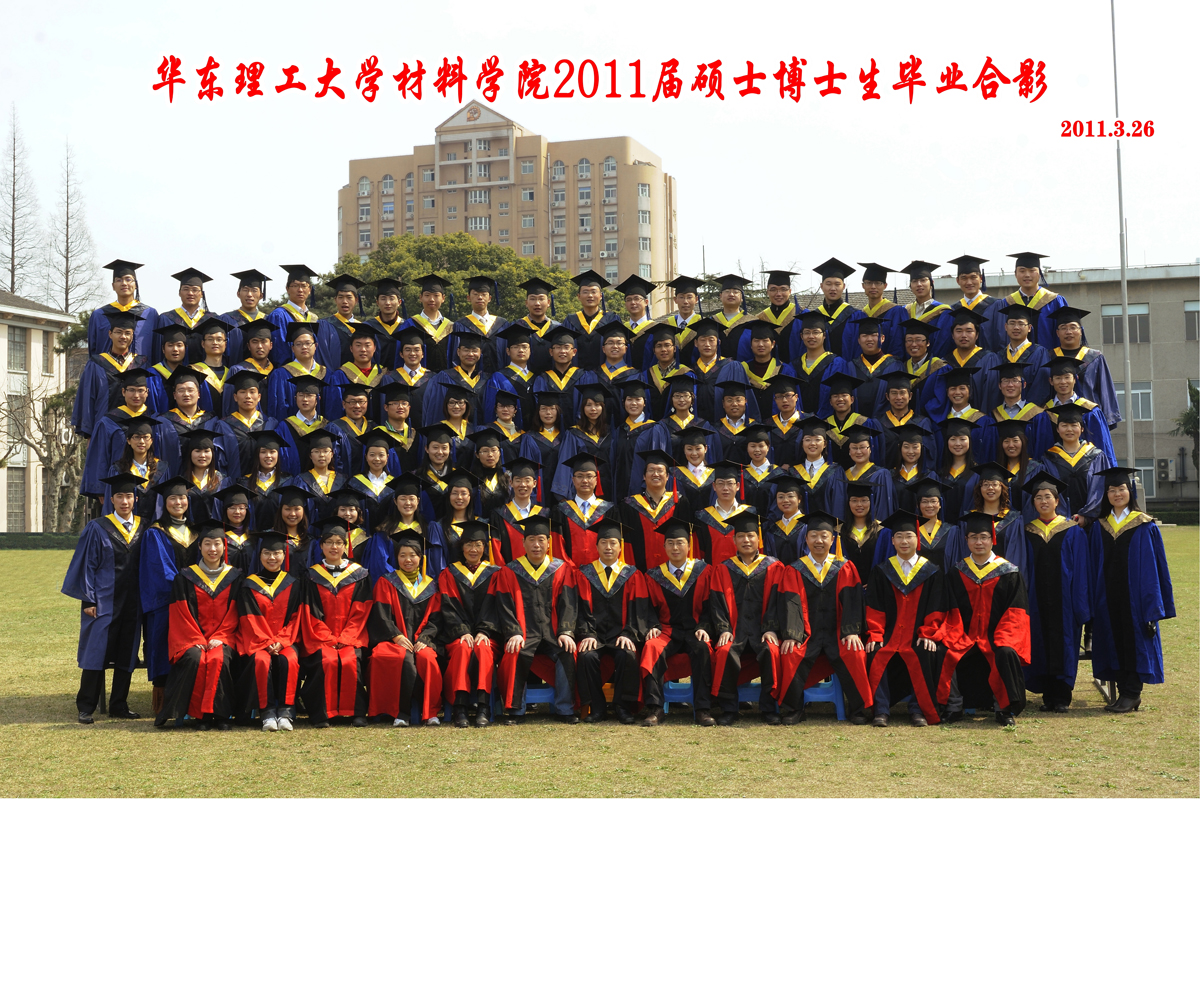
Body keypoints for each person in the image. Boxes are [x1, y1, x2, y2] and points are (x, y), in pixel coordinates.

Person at [1085, 467, 1175, 713]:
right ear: (1106, 495)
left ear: (1130, 491)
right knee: (1113, 640)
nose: (1117, 494)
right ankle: (1123, 691)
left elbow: (1154, 569)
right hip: (1107, 597)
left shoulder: (1144, 525)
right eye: (1112, 490)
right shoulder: (1100, 527)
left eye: (1121, 489)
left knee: (1134, 641)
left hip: (1135, 598)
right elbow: (1093, 566)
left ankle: (1132, 693)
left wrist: (1152, 606)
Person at [693, 510, 794, 725]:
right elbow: (716, 603)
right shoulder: (723, 569)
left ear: (758, 539)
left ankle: (768, 708)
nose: (746, 540)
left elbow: (779, 602)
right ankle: (729, 708)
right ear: (734, 540)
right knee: (724, 651)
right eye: (741, 536)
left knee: (771, 651)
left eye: (750, 536)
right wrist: (724, 629)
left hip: (762, 630)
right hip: (735, 631)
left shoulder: (774, 567)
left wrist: (771, 628)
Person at [61, 472, 146, 724]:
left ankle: (119, 704)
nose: (124, 501)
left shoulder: (145, 527)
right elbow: (87, 565)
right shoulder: (98, 527)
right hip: (103, 601)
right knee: (96, 651)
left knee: (127, 652)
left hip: (134, 602)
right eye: (119, 496)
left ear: (135, 499)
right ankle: (86, 706)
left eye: (128, 496)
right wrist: (88, 600)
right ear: (111, 500)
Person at [937, 511, 1031, 727]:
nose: (979, 542)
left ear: (992, 539)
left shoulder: (1008, 572)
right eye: (973, 537)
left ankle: (1003, 708)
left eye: (983, 537)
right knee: (944, 650)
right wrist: (956, 634)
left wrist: (1002, 638)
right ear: (966, 540)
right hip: (964, 634)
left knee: (1005, 652)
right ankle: (953, 706)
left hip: (997, 635)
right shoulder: (957, 572)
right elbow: (949, 610)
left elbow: (1016, 613)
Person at [778, 510, 872, 724]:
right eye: (813, 536)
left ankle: (857, 709)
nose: (819, 541)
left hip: (838, 631)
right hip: (806, 633)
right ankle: (794, 708)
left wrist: (851, 631)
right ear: (806, 539)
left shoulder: (844, 567)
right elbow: (790, 602)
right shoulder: (795, 569)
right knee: (791, 652)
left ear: (832, 539)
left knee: (854, 652)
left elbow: (853, 601)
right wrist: (793, 634)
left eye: (824, 536)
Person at [491, 514, 586, 724]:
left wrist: (566, 631)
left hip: (553, 633)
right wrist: (513, 632)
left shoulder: (561, 570)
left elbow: (569, 604)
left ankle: (565, 709)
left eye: (541, 540)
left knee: (568, 652)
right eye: (531, 540)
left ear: (549, 543)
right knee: (514, 652)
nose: (536, 545)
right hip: (524, 633)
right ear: (523, 542)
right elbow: (504, 606)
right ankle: (516, 710)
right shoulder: (510, 571)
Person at [153, 519, 241, 731]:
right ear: (199, 547)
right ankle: (201, 715)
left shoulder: (235, 577)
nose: (212, 549)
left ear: (224, 547)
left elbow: (236, 614)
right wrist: (196, 638)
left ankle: (221, 714)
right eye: (207, 544)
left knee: (219, 657)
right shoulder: (185, 577)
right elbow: (180, 613)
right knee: (196, 658)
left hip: (224, 637)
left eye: (217, 544)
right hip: (192, 637)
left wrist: (221, 636)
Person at [863, 509, 947, 727]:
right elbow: (874, 607)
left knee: (925, 651)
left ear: (917, 539)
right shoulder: (882, 571)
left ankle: (918, 710)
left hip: (918, 635)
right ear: (892, 541)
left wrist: (928, 633)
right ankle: (881, 710)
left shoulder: (931, 571)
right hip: (889, 635)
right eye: (899, 536)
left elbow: (936, 606)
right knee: (876, 651)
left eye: (909, 536)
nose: (904, 541)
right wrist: (876, 634)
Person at [1022, 471, 1092, 713]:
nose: (1043, 501)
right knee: (1040, 642)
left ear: (1057, 501)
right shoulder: (1027, 531)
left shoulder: (1072, 530)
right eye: (1038, 497)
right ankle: (1047, 695)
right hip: (1036, 600)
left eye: (1048, 496)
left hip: (1065, 601)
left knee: (1065, 644)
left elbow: (1081, 570)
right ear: (1033, 503)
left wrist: (1080, 604)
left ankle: (1062, 696)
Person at [575, 517, 655, 724]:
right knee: (586, 657)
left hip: (621, 634)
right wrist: (587, 634)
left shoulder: (632, 575)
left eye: (613, 543)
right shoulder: (585, 574)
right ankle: (597, 708)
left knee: (627, 654)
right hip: (595, 635)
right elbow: (578, 609)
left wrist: (629, 633)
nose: (608, 547)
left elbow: (640, 610)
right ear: (596, 546)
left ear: (620, 547)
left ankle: (622, 706)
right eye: (604, 542)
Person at [639, 517, 716, 726]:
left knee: (703, 648)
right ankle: (655, 708)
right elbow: (647, 608)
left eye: (680, 543)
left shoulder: (704, 571)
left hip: (695, 630)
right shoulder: (654, 575)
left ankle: (703, 709)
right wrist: (653, 626)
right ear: (664, 546)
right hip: (666, 630)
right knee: (651, 647)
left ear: (689, 546)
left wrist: (704, 627)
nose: (675, 548)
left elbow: (711, 606)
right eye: (671, 543)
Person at [426, 521, 503, 727]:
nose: (473, 549)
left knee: (483, 647)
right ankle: (459, 707)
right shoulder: (450, 573)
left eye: (478, 544)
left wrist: (484, 631)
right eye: (468, 544)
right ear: (461, 547)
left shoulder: (496, 573)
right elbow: (448, 606)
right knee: (462, 648)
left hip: (488, 635)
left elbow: (497, 608)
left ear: (484, 548)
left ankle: (483, 706)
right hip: (457, 635)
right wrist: (462, 631)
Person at [298, 519, 373, 727]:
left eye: (339, 542)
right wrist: (329, 638)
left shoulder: (359, 575)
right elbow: (310, 611)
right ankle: (323, 714)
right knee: (328, 660)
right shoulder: (312, 576)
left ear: (345, 546)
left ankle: (356, 712)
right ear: (321, 546)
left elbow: (362, 610)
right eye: (329, 542)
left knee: (349, 660)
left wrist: (346, 637)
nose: (334, 547)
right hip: (321, 638)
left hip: (352, 637)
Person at [367, 529, 444, 727]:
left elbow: (436, 619)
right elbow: (381, 615)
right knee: (398, 657)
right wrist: (396, 636)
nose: (407, 560)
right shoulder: (386, 582)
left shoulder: (431, 586)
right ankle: (400, 713)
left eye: (412, 555)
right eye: (402, 555)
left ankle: (431, 712)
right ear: (397, 557)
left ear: (420, 557)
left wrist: (425, 639)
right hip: (394, 640)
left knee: (427, 658)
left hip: (422, 641)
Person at [236, 530, 304, 731]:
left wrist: (281, 641)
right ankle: (266, 713)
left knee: (289, 659)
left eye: (276, 553)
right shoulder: (249, 585)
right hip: (259, 643)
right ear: (259, 556)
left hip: (285, 641)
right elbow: (249, 619)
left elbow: (296, 617)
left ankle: (285, 712)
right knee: (261, 661)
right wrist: (266, 643)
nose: (272, 558)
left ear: (284, 555)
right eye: (266, 553)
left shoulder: (294, 584)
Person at [140, 477, 198, 711]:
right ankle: (164, 705)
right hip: (166, 602)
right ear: (165, 502)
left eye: (182, 497)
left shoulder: (196, 532)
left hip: (193, 601)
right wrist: (186, 588)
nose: (178, 502)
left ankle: (190, 700)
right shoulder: (156, 532)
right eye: (173, 498)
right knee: (163, 646)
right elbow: (159, 569)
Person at [1031, 306, 1121, 429]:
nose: (1068, 332)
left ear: (1081, 331)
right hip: (1054, 421)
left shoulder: (1095, 357)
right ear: (1057, 333)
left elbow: (1105, 390)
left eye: (1073, 327)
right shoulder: (1048, 356)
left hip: (1088, 419)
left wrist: (1106, 420)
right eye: (1063, 328)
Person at [72, 310, 144, 440]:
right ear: (110, 334)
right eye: (118, 332)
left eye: (127, 333)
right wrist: (90, 436)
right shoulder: (96, 364)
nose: (123, 337)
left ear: (132, 336)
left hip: (136, 434)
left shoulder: (141, 363)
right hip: (103, 432)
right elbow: (88, 400)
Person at [619, 448, 689, 571]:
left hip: (673, 573)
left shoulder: (680, 503)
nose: (655, 474)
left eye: (660, 471)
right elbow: (627, 544)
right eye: (651, 470)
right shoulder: (629, 506)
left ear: (667, 476)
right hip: (640, 572)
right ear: (644, 476)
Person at [1037, 403, 1109, 517]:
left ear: (1082, 429)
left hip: (1091, 521)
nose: (1069, 429)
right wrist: (1063, 518)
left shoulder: (1096, 456)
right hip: (1059, 521)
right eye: (1064, 425)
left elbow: (1099, 489)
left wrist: (1086, 516)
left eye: (1074, 425)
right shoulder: (1049, 458)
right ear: (1057, 429)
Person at [87, 259, 159, 359]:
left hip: (143, 368)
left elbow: (157, 348)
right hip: (106, 369)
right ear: (113, 286)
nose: (124, 283)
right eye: (119, 280)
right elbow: (93, 352)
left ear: (135, 285)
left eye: (128, 279)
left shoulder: (150, 314)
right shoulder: (99, 315)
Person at [551, 453, 615, 565]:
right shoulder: (561, 510)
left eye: (589, 476)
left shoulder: (609, 510)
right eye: (580, 476)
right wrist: (571, 570)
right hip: (570, 572)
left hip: (601, 573)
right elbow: (557, 547)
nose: (585, 481)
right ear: (573, 480)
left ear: (596, 479)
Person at [691, 460, 757, 566]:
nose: (725, 488)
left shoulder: (749, 513)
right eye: (720, 483)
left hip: (743, 572)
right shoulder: (703, 516)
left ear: (738, 486)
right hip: (713, 573)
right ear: (714, 486)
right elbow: (699, 552)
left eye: (730, 483)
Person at [1001, 251, 1068, 349]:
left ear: (1039, 273)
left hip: (1048, 357)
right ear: (1015, 274)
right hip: (1013, 357)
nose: (1027, 275)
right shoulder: (1006, 303)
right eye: (1022, 271)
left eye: (1032, 270)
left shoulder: (1054, 301)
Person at [840, 262, 904, 361]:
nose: (873, 286)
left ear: (885, 286)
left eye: (878, 283)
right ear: (863, 286)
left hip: (889, 366)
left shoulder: (896, 312)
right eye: (869, 283)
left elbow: (898, 345)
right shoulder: (860, 315)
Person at [790, 312, 851, 415]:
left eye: (816, 332)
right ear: (801, 336)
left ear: (824, 335)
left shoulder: (837, 364)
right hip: (798, 421)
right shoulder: (793, 366)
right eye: (807, 332)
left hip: (827, 421)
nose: (811, 336)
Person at [265, 321, 327, 420]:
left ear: (315, 346)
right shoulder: (281, 375)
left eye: (308, 343)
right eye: (299, 344)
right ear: (293, 348)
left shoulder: (326, 374)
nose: (304, 347)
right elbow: (278, 409)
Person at [559, 269, 619, 370]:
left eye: (593, 292)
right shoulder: (570, 321)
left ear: (600, 296)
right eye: (585, 292)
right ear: (579, 296)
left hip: (605, 375)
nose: (590, 295)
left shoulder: (611, 319)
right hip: (576, 375)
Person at [944, 254, 1003, 352]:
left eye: (973, 277)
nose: (969, 282)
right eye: (964, 278)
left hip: (989, 360)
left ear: (981, 278)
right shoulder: (952, 309)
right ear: (958, 281)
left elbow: (1002, 339)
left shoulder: (996, 306)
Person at [453, 274, 509, 374]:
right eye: (475, 294)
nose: (480, 297)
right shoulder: (460, 325)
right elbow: (455, 357)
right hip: (470, 380)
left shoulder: (502, 324)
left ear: (490, 298)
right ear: (468, 298)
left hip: (499, 378)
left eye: (484, 294)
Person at [266, 264, 320, 366]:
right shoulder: (279, 315)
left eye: (304, 286)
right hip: (288, 371)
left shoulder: (313, 318)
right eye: (295, 286)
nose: (300, 290)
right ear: (287, 289)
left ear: (309, 290)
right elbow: (279, 352)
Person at [154, 266, 213, 360]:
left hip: (204, 368)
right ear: (179, 293)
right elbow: (158, 351)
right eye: (186, 289)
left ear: (201, 294)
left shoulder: (211, 319)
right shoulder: (166, 318)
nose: (190, 293)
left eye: (195, 290)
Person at [219, 268, 271, 366]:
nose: (249, 294)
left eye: (254, 290)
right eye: (245, 290)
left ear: (261, 295)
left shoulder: (268, 320)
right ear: (238, 294)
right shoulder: (226, 320)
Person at [402, 274, 455, 371]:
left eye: (436, 295)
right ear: (420, 297)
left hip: (446, 378)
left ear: (443, 298)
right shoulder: (410, 324)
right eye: (427, 295)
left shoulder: (451, 327)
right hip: (418, 379)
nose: (431, 299)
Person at [317, 273, 369, 370]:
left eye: (349, 297)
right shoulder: (324, 326)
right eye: (340, 297)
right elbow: (322, 357)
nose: (345, 301)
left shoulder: (362, 328)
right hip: (333, 377)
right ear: (335, 300)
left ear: (356, 300)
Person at [807, 258, 857, 356]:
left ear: (843, 286)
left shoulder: (855, 316)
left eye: (837, 284)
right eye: (828, 284)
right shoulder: (815, 316)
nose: (833, 288)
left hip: (848, 365)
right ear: (822, 286)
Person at [513, 276, 562, 375]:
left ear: (548, 302)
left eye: (541, 299)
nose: (537, 303)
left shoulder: (558, 328)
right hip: (523, 379)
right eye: (532, 299)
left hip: (552, 379)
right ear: (526, 303)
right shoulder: (517, 327)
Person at [362, 276, 407, 369]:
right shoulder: (368, 327)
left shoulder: (406, 326)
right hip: (375, 376)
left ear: (399, 302)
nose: (387, 303)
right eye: (383, 298)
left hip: (402, 376)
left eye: (391, 298)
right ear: (377, 302)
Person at [709, 274, 752, 358]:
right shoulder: (712, 322)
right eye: (727, 291)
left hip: (746, 366)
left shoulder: (752, 322)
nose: (731, 294)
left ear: (742, 297)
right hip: (716, 366)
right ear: (720, 296)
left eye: (736, 292)